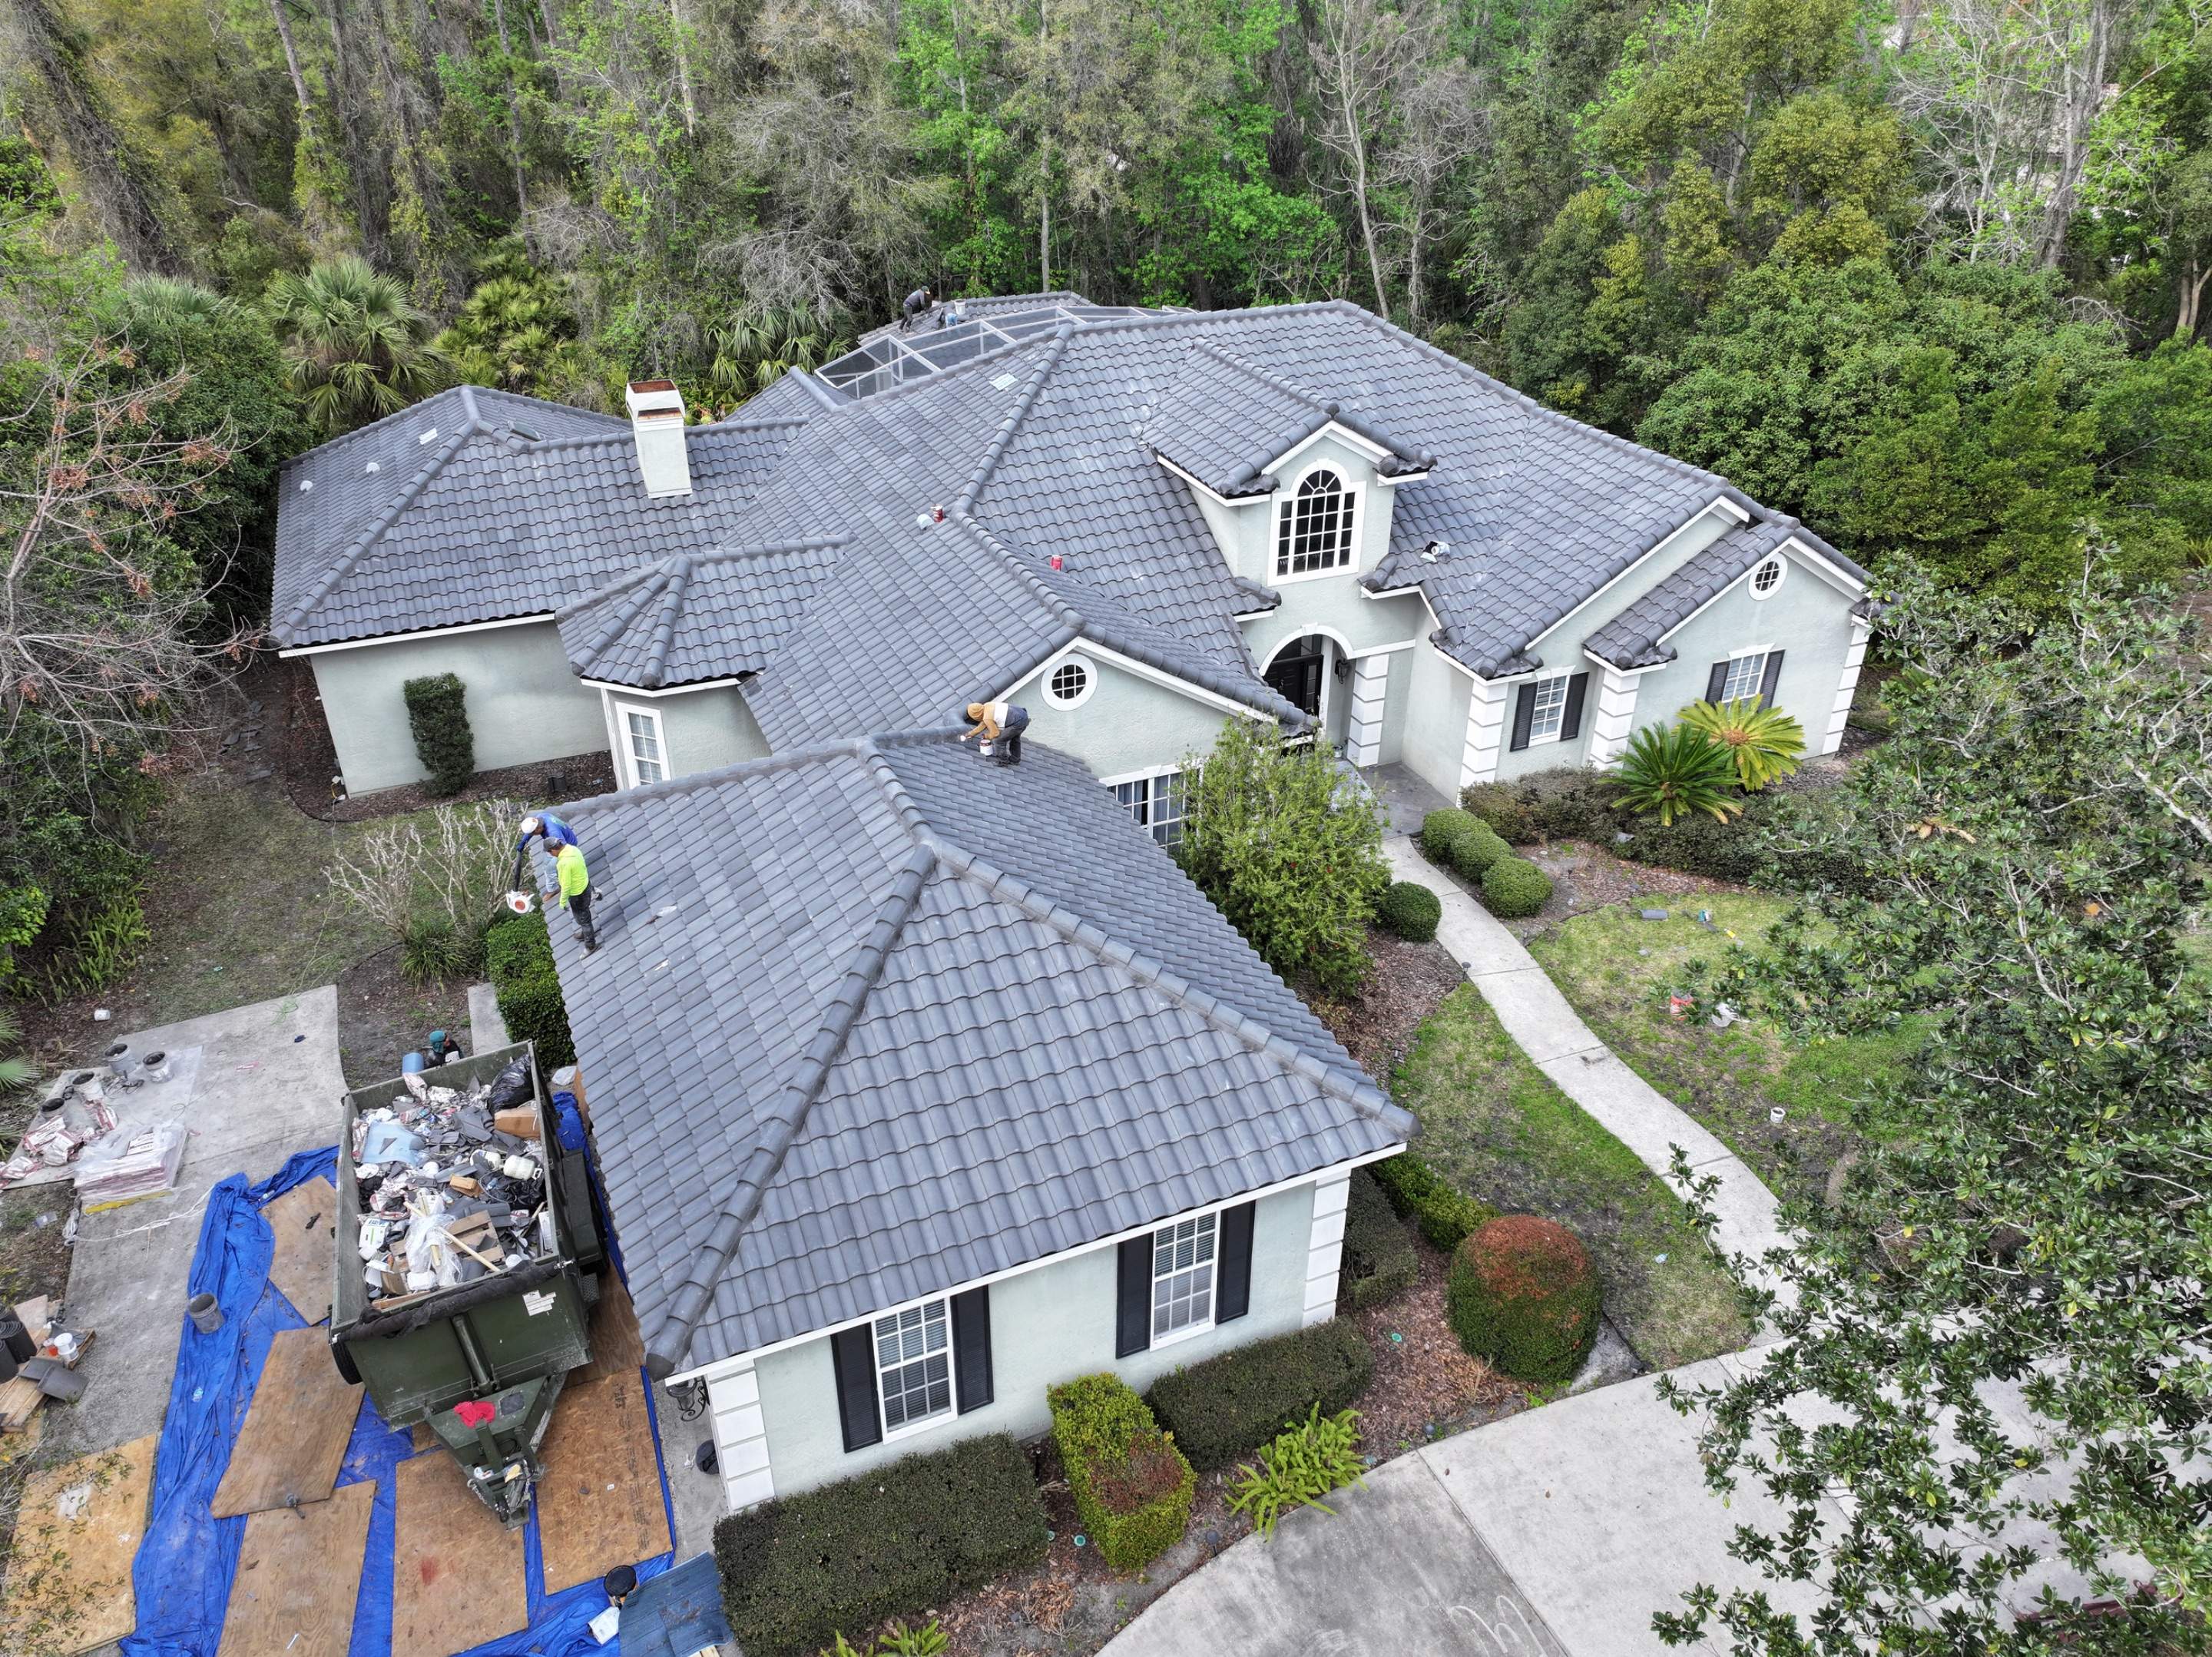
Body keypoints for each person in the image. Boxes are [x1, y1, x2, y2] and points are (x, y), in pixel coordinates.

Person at [541, 839, 600, 953]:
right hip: (586, 885)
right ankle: (585, 933)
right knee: (583, 916)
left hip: (577, 894)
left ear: (553, 850)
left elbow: (566, 885)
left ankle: (591, 946)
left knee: (584, 919)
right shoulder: (574, 849)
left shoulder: (564, 863)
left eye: (549, 852)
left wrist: (562, 902)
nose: (550, 854)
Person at [509, 810, 578, 893]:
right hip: (554, 844)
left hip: (567, 846)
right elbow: (531, 831)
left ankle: (564, 885)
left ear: (537, 829)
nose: (533, 835)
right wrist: (523, 842)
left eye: (533, 833)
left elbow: (564, 849)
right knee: (546, 864)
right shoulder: (541, 817)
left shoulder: (553, 832)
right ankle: (553, 887)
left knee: (550, 868)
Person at [959, 701, 1030, 766]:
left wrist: (986, 736)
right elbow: (983, 725)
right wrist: (970, 734)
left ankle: (1003, 761)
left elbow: (995, 734)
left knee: (998, 740)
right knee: (1015, 739)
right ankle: (1015, 760)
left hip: (1017, 722)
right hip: (1023, 714)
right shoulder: (987, 706)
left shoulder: (987, 718)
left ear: (976, 716)